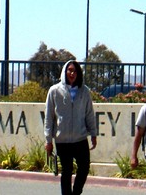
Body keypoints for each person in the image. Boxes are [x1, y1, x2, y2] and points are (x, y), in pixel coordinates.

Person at [44, 60, 98, 195]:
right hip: (62, 140)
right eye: (70, 70)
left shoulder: (84, 91)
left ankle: (77, 192)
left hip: (80, 138)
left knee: (84, 167)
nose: (72, 73)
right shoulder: (54, 91)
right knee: (66, 172)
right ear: (65, 72)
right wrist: (48, 140)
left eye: (75, 71)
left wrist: (93, 133)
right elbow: (49, 117)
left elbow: (89, 113)